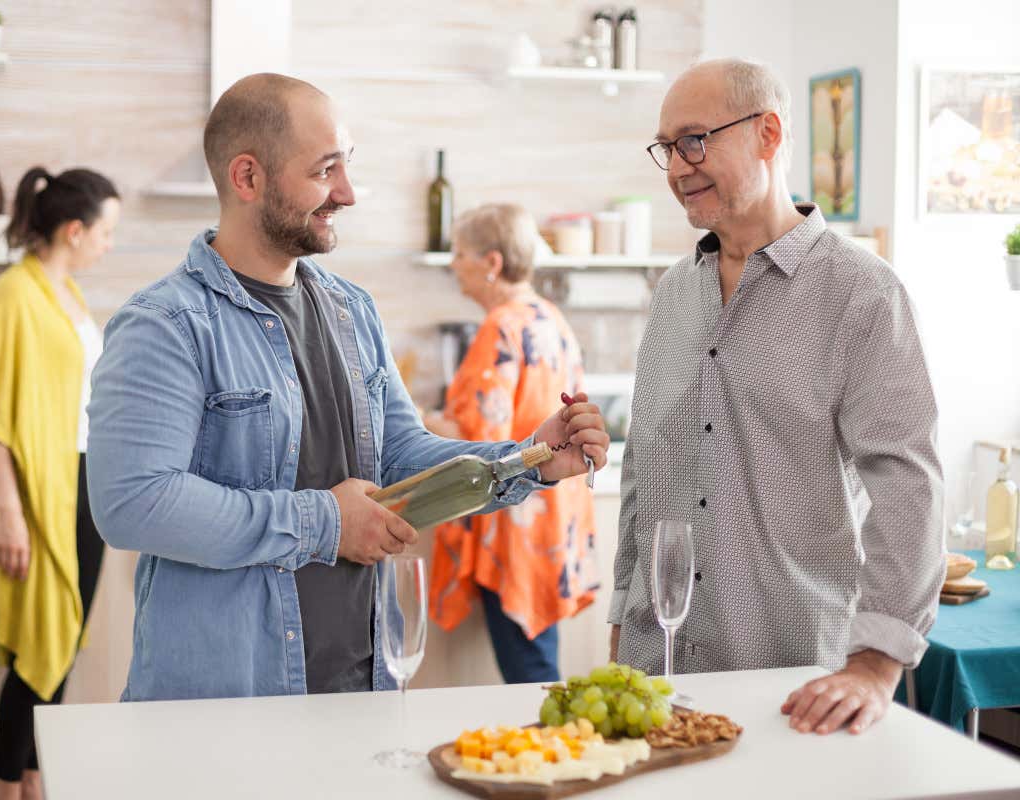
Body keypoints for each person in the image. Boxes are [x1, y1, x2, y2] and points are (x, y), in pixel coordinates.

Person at [85, 73, 609, 702]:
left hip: (365, 688)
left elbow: (401, 454)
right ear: (247, 177)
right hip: (230, 705)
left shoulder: (350, 310)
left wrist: (530, 459)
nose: (347, 193)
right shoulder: (165, 324)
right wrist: (326, 522)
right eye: (324, 170)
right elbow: (133, 503)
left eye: (346, 166)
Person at [607, 59, 943, 737]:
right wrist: (620, 625)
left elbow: (909, 485)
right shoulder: (672, 294)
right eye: (667, 148)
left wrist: (875, 665)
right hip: (655, 676)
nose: (677, 168)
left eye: (695, 141)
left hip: (793, 691)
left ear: (768, 133)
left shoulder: (862, 294)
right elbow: (643, 472)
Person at [0, 166, 120, 799]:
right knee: (38, 649)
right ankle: (4, 792)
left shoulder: (67, 293)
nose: (109, 244)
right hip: (36, 496)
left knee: (64, 644)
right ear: (75, 230)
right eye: (106, 232)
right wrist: (9, 511)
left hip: (82, 485)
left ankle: (33, 783)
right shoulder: (14, 294)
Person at [424, 204, 598, 683]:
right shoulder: (551, 318)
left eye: (460, 254)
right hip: (554, 520)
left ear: (492, 263)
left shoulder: (501, 326)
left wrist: (421, 421)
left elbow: (477, 442)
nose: (454, 265)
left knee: (530, 677)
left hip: (516, 526)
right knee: (537, 665)